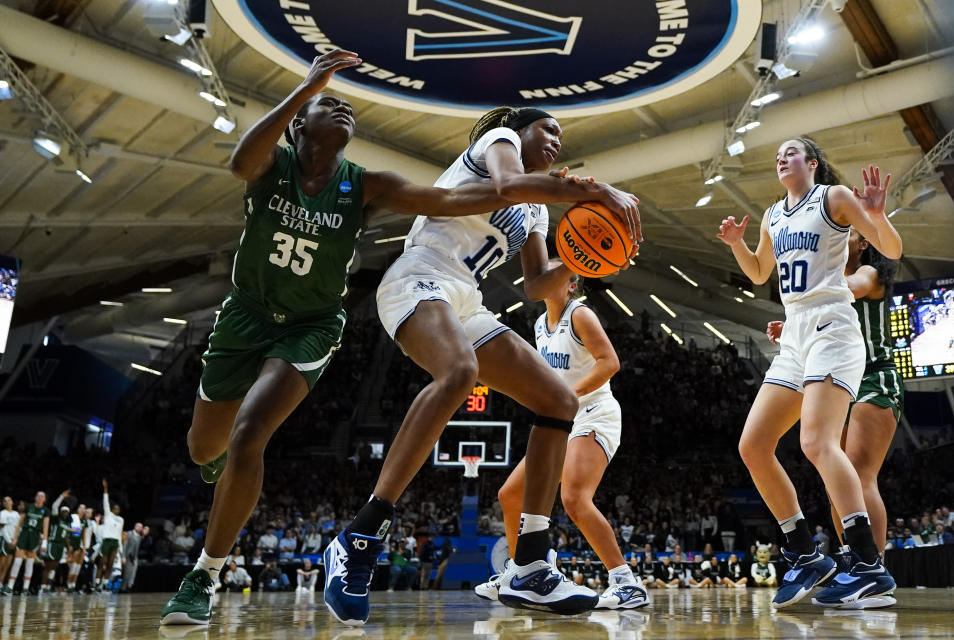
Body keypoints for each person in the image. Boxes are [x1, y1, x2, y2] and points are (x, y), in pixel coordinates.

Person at [160, 49, 542, 627]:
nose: (342, 108)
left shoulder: (364, 184)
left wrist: (559, 193)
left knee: (248, 434)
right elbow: (241, 160)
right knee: (201, 447)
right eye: (327, 105)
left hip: (313, 325)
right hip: (246, 316)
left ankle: (203, 576)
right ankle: (217, 470)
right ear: (298, 125)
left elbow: (451, 200)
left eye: (345, 106)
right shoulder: (272, 168)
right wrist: (307, 84)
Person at [325, 103, 641, 625]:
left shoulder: (538, 210)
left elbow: (539, 283)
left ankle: (531, 563)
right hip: (419, 277)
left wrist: (592, 255)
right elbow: (509, 186)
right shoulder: (500, 141)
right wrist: (596, 191)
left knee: (558, 400)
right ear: (520, 130)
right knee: (459, 373)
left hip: (465, 299)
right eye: (548, 129)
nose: (557, 140)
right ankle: (361, 534)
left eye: (561, 134)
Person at [717, 138, 902, 609]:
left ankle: (866, 564)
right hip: (796, 332)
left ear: (812, 163)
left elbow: (892, 248)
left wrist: (877, 214)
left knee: (817, 443)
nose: (782, 157)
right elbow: (760, 272)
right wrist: (739, 245)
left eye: (792, 151)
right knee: (753, 446)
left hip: (832, 328)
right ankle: (803, 553)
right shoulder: (772, 215)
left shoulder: (834, 198)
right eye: (778, 153)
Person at [480, 263, 648, 609]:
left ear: (571, 286)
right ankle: (520, 573)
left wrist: (567, 395)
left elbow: (609, 362)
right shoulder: (541, 325)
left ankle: (626, 581)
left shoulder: (580, 314)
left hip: (594, 413)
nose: (546, 280)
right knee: (510, 495)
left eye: (556, 275)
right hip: (562, 418)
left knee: (574, 498)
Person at [6, 491, 48, 595]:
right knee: (17, 561)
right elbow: (19, 523)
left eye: (42, 496)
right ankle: (10, 586)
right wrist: (15, 538)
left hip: (35, 535)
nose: (40, 497)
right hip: (24, 534)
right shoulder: (28, 507)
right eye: (38, 495)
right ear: (35, 497)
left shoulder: (45, 510)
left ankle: (26, 588)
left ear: (45, 499)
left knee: (30, 562)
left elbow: (45, 527)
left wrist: (44, 542)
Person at [40, 500, 72, 594]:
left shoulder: (67, 524)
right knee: (48, 566)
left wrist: (68, 546)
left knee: (55, 566)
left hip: (60, 545)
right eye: (64, 511)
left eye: (67, 512)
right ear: (60, 512)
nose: (65, 513)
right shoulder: (56, 519)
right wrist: (62, 497)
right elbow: (54, 506)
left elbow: (65, 536)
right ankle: (42, 586)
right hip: (53, 543)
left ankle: (48, 586)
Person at [98, 479, 124, 592]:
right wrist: (105, 489)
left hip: (115, 542)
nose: (117, 510)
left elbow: (119, 533)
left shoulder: (121, 519)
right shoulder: (108, 514)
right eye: (116, 508)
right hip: (107, 540)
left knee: (110, 564)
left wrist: (120, 548)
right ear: (112, 509)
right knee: (102, 563)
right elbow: (106, 501)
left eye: (119, 509)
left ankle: (105, 584)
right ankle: (97, 583)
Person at [0, 496, 19, 594]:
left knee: (8, 564)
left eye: (9, 500)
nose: (7, 502)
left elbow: (18, 528)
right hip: (4, 540)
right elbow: (2, 528)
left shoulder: (16, 514)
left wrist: (15, 540)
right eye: (5, 501)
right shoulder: (2, 513)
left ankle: (3, 584)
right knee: (2, 563)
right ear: (3, 503)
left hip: (13, 541)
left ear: (12, 502)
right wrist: (9, 541)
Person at [121, 523, 145, 593]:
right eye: (138, 526)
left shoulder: (139, 537)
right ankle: (123, 588)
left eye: (141, 527)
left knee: (133, 573)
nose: (139, 528)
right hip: (128, 556)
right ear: (134, 526)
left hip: (134, 557)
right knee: (126, 573)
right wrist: (123, 556)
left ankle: (129, 586)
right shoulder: (129, 534)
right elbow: (125, 545)